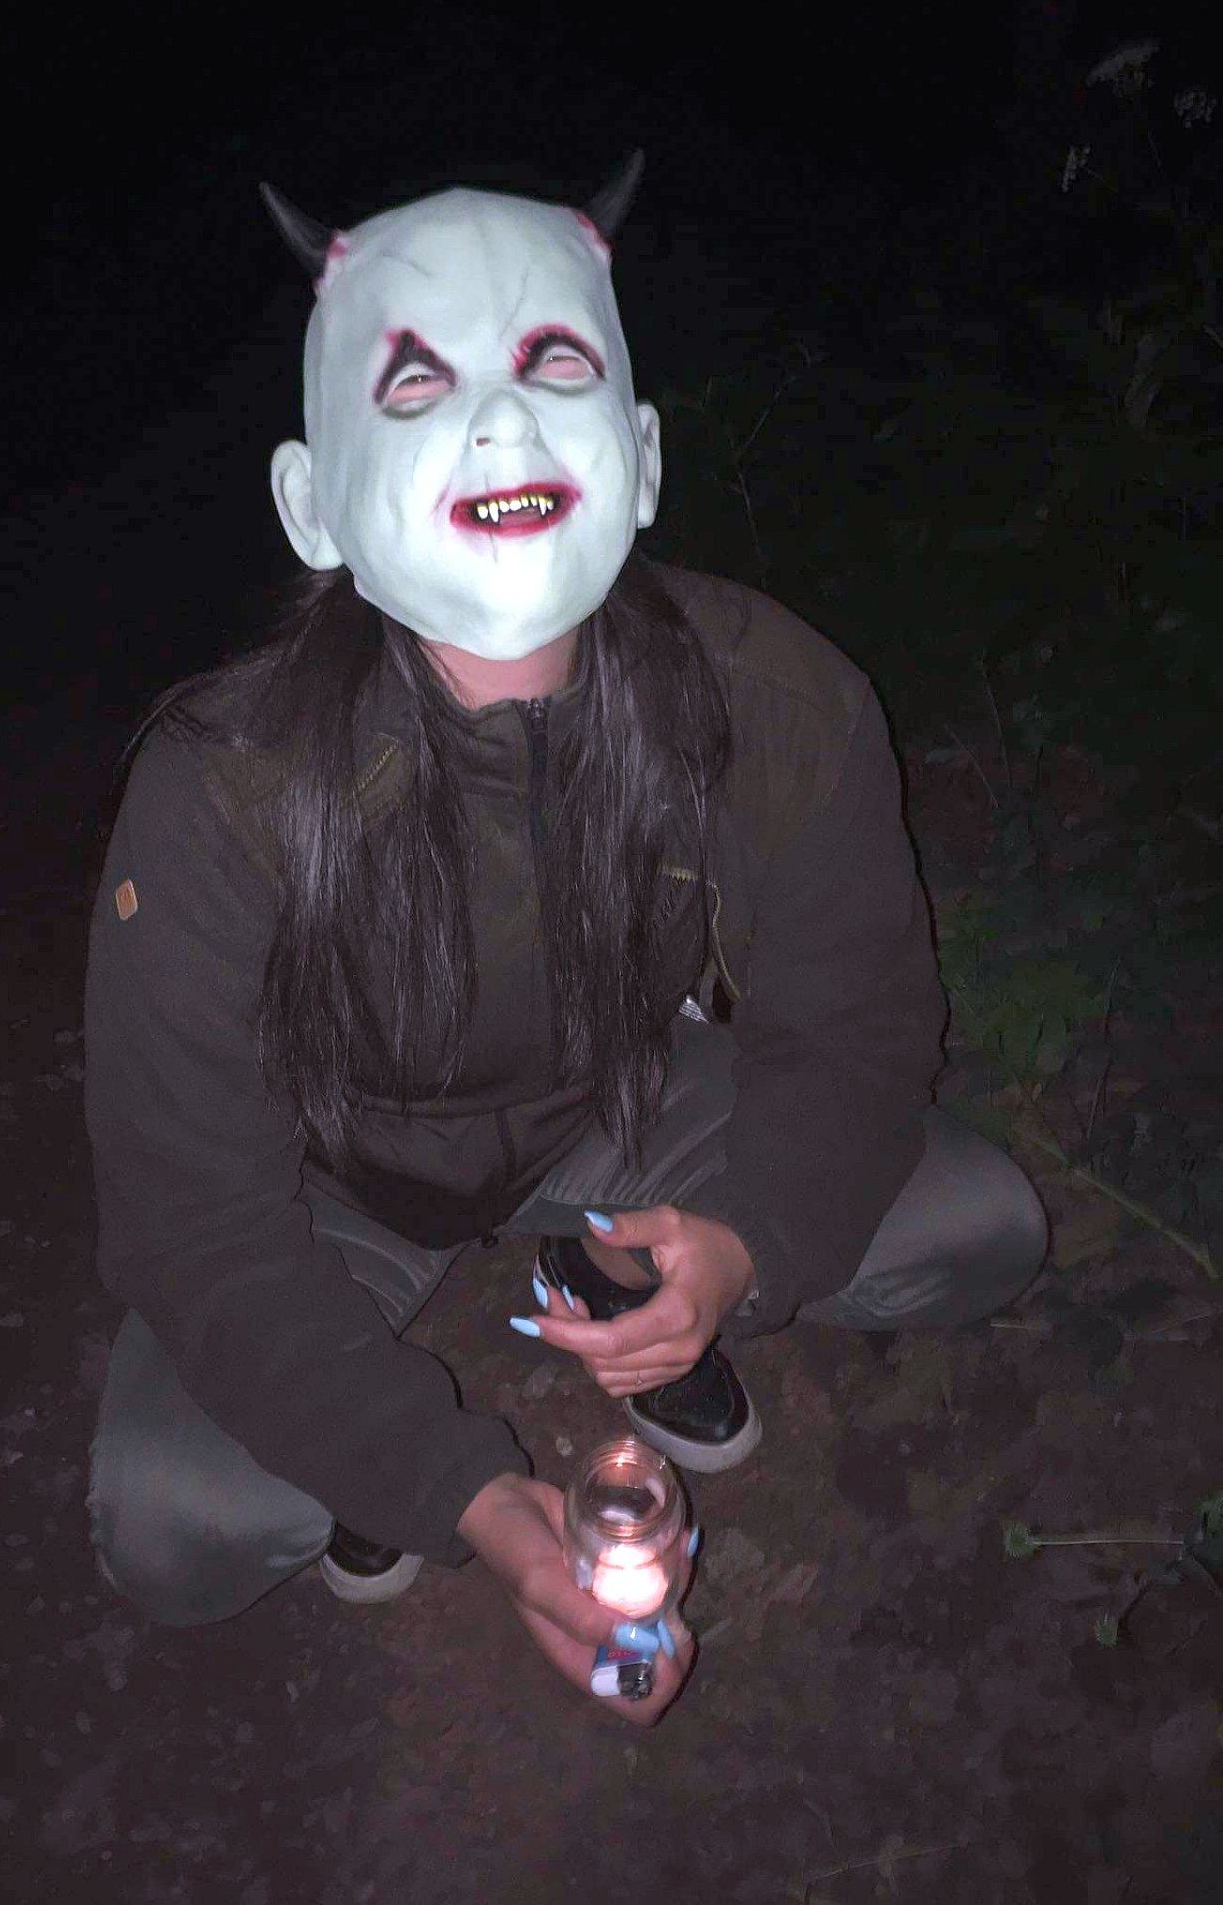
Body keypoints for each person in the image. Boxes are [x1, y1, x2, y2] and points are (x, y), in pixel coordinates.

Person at [84, 158, 1047, 1727]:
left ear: (642, 456)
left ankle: (608, 1269)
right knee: (176, 1521)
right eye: (417, 382)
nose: (499, 425)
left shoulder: (774, 693)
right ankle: (357, 1439)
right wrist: (455, 1489)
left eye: (552, 362)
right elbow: (191, 1217)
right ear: (312, 502)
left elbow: (857, 1024)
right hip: (334, 1176)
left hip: (620, 1105)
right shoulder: (221, 786)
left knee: (978, 1224)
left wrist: (751, 1243)